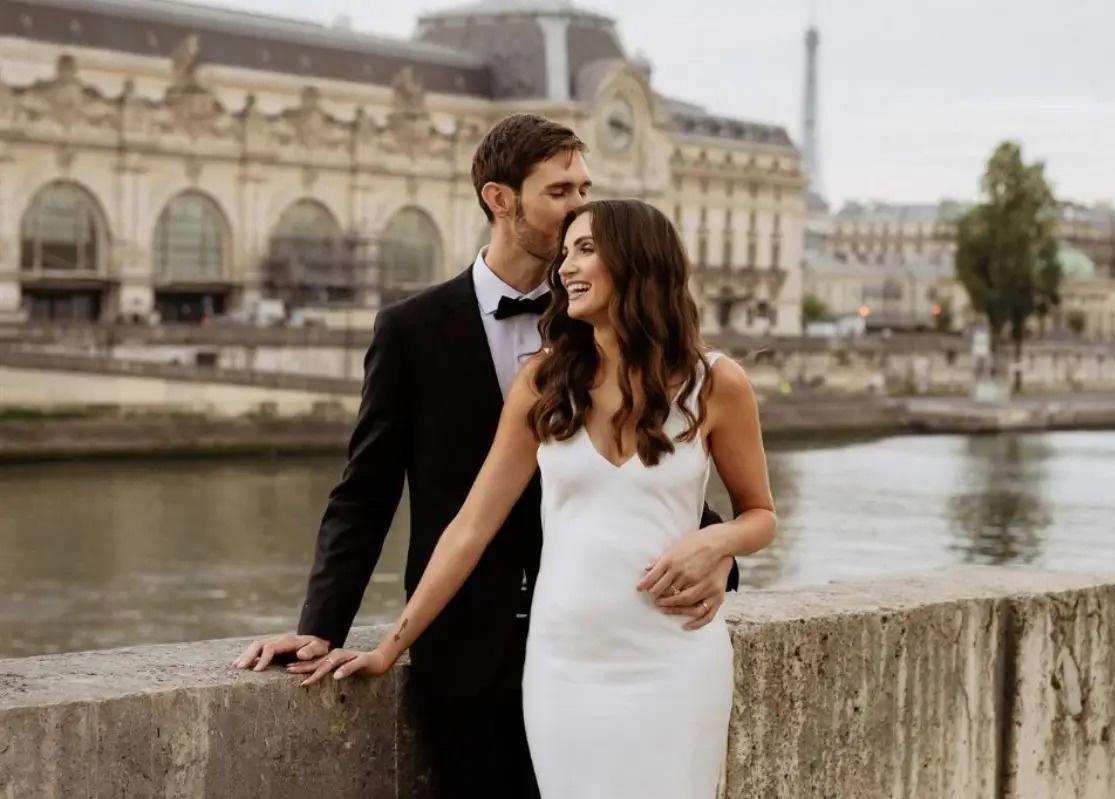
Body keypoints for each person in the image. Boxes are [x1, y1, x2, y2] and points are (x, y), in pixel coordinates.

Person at [232, 114, 739, 798]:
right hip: (466, 650)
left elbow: (661, 477)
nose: (579, 207)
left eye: (585, 189)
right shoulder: (412, 329)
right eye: (560, 191)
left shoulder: (604, 325)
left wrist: (719, 554)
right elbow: (366, 489)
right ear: (500, 199)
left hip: (621, 636)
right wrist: (322, 626)